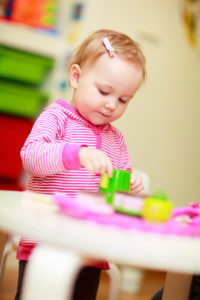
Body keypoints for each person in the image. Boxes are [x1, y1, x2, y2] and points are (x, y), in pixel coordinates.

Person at [15, 29, 146, 300]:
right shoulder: (57, 117)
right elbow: (31, 156)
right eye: (105, 91)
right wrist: (76, 154)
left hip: (91, 247)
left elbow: (116, 193)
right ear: (76, 77)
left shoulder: (116, 139)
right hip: (45, 240)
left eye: (123, 100)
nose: (112, 105)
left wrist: (130, 185)